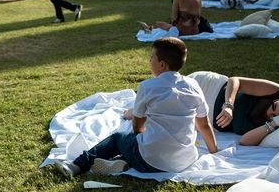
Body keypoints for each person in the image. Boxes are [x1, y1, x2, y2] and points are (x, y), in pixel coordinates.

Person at [54, 38, 218, 178]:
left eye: (151, 57)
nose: (149, 61)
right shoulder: (193, 85)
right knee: (136, 143)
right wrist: (214, 151)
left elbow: (137, 126)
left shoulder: (148, 86)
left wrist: (141, 140)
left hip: (151, 160)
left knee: (119, 137)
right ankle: (123, 162)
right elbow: (203, 125)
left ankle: (77, 165)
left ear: (162, 64)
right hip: (183, 161)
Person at [192, 72, 279, 146]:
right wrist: (228, 105)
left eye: (274, 116)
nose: (269, 113)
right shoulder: (275, 92)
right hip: (209, 88)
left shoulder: (272, 126)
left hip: (202, 118)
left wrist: (275, 123)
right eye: (273, 107)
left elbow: (244, 141)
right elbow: (235, 80)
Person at [142, 0, 212, 35]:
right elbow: (199, 16)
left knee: (159, 24)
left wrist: (170, 26)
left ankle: (149, 28)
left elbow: (174, 18)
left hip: (183, 30)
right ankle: (150, 28)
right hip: (196, 30)